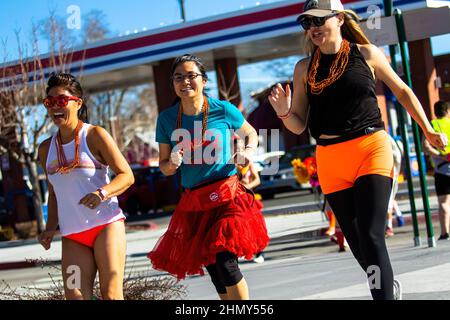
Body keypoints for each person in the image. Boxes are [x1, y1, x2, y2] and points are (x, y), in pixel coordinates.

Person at [268, 0, 447, 300]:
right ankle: (385, 285)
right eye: (307, 23)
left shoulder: (366, 53)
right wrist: (285, 113)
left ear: (338, 19)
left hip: (370, 148)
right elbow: (298, 126)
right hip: (329, 157)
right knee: (357, 243)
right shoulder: (304, 69)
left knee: (372, 234)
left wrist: (427, 127)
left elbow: (402, 91)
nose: (312, 28)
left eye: (319, 20)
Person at [148, 54, 269, 300]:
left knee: (225, 262)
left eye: (191, 76)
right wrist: (171, 162)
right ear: (173, 83)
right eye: (178, 77)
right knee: (214, 268)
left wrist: (246, 152)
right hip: (195, 203)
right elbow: (164, 167)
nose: (185, 82)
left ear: (203, 80)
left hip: (228, 196)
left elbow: (251, 133)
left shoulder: (222, 109)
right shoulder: (167, 119)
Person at [37, 73, 135, 300]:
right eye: (49, 102)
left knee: (111, 295)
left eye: (61, 100)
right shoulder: (45, 149)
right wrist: (50, 227)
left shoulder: (95, 135)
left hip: (106, 226)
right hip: (73, 236)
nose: (55, 107)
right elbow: (53, 192)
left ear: (77, 103)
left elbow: (126, 175)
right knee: (75, 297)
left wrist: (102, 193)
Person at [233, 135, 266, 263]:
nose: (239, 151)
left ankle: (259, 252)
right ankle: (240, 251)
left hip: (248, 199)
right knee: (239, 227)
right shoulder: (230, 164)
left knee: (254, 225)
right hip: (235, 200)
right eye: (236, 148)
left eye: (241, 148)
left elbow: (257, 180)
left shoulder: (249, 162)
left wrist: (247, 186)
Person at [423, 100, 450, 240]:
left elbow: (425, 147)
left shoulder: (433, 126)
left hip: (442, 169)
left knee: (444, 202)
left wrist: (441, 155)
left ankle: (445, 233)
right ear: (447, 111)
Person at [385, 134, 405, 237]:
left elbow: (397, 156)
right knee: (390, 198)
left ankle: (389, 227)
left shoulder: (385, 138)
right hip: (390, 172)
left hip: (389, 172)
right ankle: (399, 216)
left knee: (388, 199)